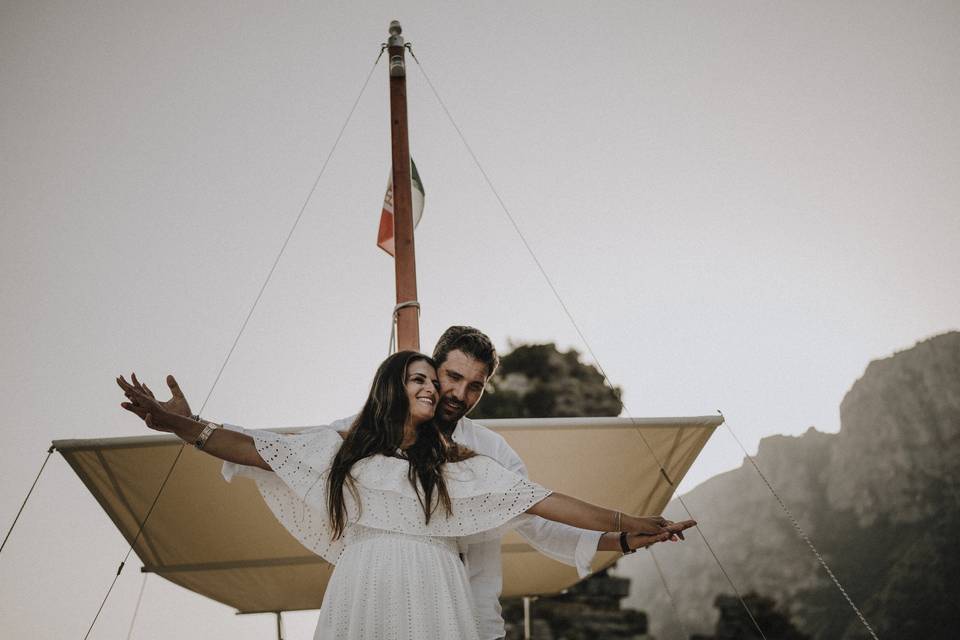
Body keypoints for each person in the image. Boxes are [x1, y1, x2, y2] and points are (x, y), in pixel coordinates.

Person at [118, 350, 695, 640]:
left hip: (435, 590)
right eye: (419, 378)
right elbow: (259, 449)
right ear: (392, 389)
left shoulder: (458, 465)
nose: (433, 388)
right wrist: (184, 425)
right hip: (364, 583)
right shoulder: (344, 453)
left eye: (434, 379)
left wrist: (628, 523)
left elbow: (544, 501)